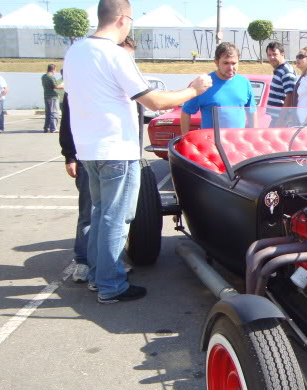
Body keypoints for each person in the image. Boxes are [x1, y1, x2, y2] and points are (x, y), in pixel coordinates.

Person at [63, 0, 211, 304]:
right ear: (122, 19)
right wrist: (194, 90)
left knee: (101, 213)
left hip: (89, 149)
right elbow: (153, 101)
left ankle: (97, 275)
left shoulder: (76, 51)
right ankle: (110, 284)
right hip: (116, 149)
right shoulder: (114, 54)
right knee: (116, 219)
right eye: (130, 20)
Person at [59, 35, 139, 284]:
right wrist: (69, 154)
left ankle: (101, 269)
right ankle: (96, 270)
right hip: (101, 155)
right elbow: (68, 120)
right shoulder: (94, 80)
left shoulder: (116, 81)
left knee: (105, 215)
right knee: (101, 215)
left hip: (101, 154)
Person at [181, 42, 255, 134]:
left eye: (234, 63)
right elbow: (186, 112)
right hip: (212, 144)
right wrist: (185, 138)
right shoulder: (203, 84)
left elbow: (252, 112)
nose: (231, 67)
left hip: (236, 144)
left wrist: (254, 137)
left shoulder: (244, 83)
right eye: (226, 63)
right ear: (216, 62)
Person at [265, 41, 297, 126]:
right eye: (269, 55)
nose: (272, 57)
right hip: (277, 118)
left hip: (282, 119)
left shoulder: (286, 71)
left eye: (275, 54)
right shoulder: (280, 70)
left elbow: (290, 95)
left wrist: (281, 119)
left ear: (283, 54)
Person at [41, 64, 63, 133]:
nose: (55, 71)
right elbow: (55, 86)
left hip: (46, 96)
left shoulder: (43, 76)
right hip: (53, 96)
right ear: (53, 69)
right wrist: (64, 86)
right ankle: (53, 128)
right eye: (55, 70)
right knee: (54, 113)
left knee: (48, 113)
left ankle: (46, 127)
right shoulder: (51, 77)